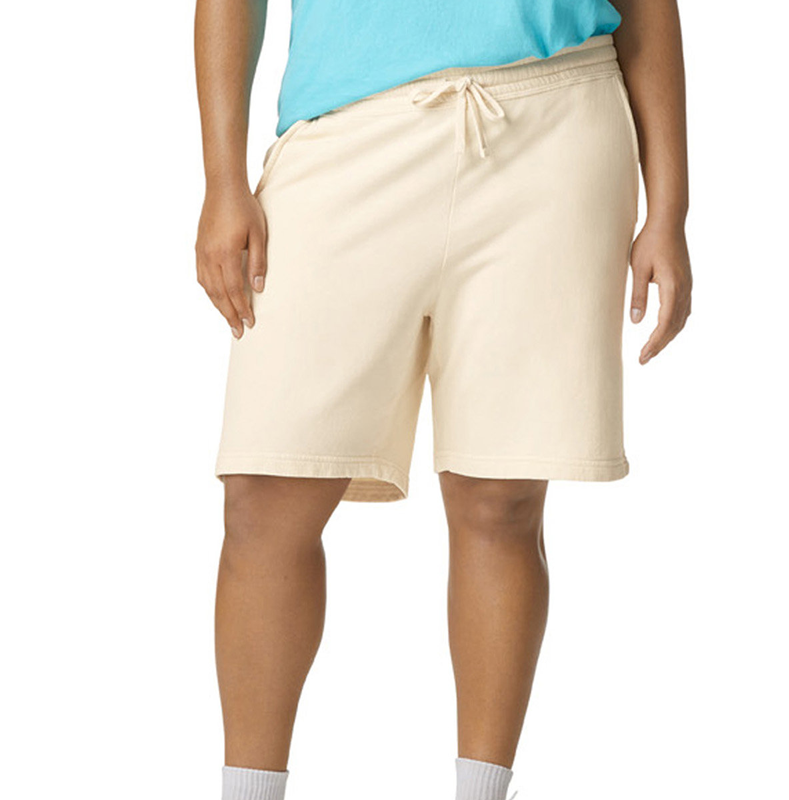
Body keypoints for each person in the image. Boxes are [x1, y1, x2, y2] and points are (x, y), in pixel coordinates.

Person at [194, 1, 693, 798]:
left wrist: (668, 210)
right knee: (264, 494)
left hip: (552, 128)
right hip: (345, 133)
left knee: (501, 498)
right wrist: (223, 180)